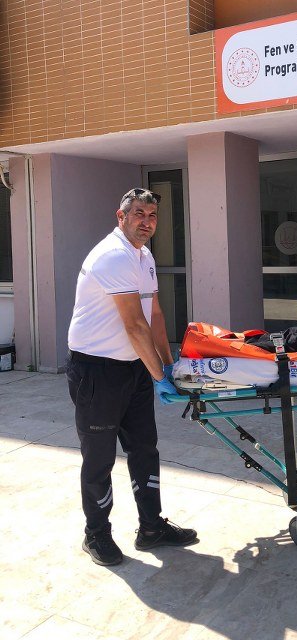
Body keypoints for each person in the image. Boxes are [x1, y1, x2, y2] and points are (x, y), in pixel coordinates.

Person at [67, 188, 196, 567]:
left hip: (132, 367)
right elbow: (135, 325)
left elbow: (154, 314)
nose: (147, 222)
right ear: (120, 216)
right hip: (97, 372)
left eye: (152, 216)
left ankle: (151, 528)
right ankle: (96, 534)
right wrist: (160, 376)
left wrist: (169, 366)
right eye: (139, 213)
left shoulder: (143, 256)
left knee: (144, 449)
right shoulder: (113, 255)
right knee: (99, 458)